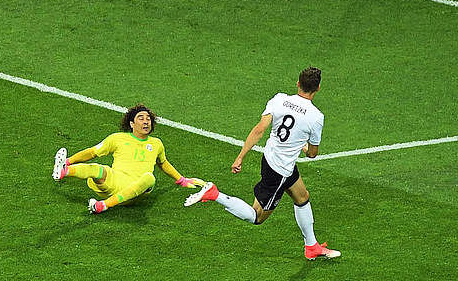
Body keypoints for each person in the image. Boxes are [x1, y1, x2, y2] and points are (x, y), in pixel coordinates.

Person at [185, 67, 341, 261]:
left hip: (269, 159)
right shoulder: (316, 117)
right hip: (280, 170)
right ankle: (215, 194)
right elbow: (312, 154)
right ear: (318, 88)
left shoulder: (279, 99)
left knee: (302, 197)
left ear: (298, 84)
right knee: (256, 216)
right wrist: (303, 147)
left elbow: (259, 130)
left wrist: (240, 157)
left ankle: (312, 246)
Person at [51, 103, 206, 214]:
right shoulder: (117, 138)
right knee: (98, 169)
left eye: (148, 119)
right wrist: (69, 160)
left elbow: (163, 163)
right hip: (115, 182)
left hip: (137, 190)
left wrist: (182, 180)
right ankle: (64, 170)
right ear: (131, 123)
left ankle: (103, 206)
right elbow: (92, 152)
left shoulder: (156, 143)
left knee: (149, 178)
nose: (146, 121)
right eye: (141, 118)